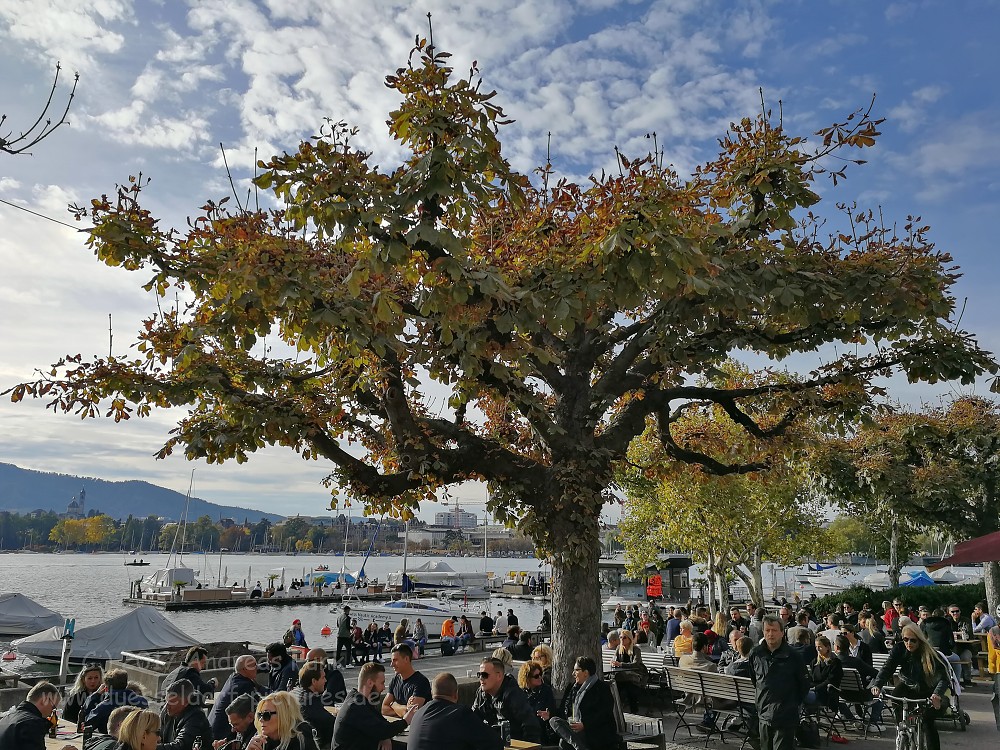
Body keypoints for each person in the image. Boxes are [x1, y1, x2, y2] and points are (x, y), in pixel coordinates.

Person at [871, 623, 950, 750]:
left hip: (928, 690)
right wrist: (877, 685)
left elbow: (944, 678)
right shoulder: (899, 649)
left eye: (913, 640)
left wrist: (937, 694)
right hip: (907, 686)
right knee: (896, 694)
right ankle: (901, 726)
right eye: (905, 639)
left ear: (919, 640)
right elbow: (887, 668)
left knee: (927, 723)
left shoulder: (930, 653)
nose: (909, 643)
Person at [748, 614, 809, 750]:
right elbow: (755, 680)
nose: (770, 634)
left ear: (782, 632)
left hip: (786, 715)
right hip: (764, 713)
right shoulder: (756, 654)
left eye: (774, 630)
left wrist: (791, 703)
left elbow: (804, 685)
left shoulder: (793, 656)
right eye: (767, 630)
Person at [408, 672, 502, 750]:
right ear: (456, 694)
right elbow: (495, 743)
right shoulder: (460, 714)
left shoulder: (418, 714)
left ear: (432, 693)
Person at [333, 662, 412, 750]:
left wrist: (385, 737)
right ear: (370, 683)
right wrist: (406, 721)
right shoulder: (356, 706)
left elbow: (381, 724)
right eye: (382, 683)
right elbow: (384, 730)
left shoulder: (358, 699)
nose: (383, 688)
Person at [548, 656, 617, 750]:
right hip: (574, 727)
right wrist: (550, 714)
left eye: (576, 670)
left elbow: (604, 714)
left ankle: (579, 746)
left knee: (564, 743)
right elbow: (563, 710)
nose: (573, 674)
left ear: (586, 672)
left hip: (594, 730)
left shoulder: (601, 688)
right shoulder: (573, 688)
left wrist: (584, 724)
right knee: (554, 720)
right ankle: (579, 746)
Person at [472, 656, 541, 742]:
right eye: (479, 675)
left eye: (485, 675)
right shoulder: (481, 693)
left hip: (513, 744)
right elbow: (471, 719)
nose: (481, 678)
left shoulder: (513, 694)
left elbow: (530, 726)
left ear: (499, 676)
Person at [0, 681, 76, 750]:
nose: (51, 713)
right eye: (53, 707)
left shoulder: (6, 718)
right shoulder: (32, 723)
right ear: (44, 700)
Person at [209, 654, 267, 739]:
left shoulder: (233, 678)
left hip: (212, 729)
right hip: (223, 734)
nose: (257, 667)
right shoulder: (244, 686)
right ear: (245, 669)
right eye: (254, 665)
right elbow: (258, 709)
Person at [245, 691, 318, 750]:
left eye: (266, 715)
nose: (261, 719)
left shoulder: (301, 741)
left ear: (283, 716)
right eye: (259, 715)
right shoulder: (260, 740)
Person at [85, 668, 149, 734]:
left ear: (106, 688)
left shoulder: (104, 706)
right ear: (126, 684)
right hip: (137, 739)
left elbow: (86, 724)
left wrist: (95, 695)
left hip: (113, 740)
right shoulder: (142, 701)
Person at [157, 679, 214, 750]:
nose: (167, 706)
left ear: (185, 702)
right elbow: (156, 731)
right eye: (166, 701)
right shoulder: (167, 710)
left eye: (172, 702)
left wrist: (151, 748)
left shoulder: (196, 717)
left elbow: (181, 746)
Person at [292, 661, 335, 749]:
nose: (326, 681)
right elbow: (331, 724)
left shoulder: (294, 692)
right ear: (314, 681)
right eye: (323, 678)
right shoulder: (310, 700)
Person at [381, 644, 431, 718]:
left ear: (406, 659)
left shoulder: (421, 682)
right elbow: (384, 709)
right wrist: (403, 710)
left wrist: (394, 704)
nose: (392, 664)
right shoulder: (395, 680)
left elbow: (411, 714)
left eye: (395, 660)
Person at [518, 660, 558, 744]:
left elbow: (553, 711)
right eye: (536, 676)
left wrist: (548, 716)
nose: (540, 677)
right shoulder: (520, 693)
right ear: (527, 678)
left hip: (542, 732)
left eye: (540, 674)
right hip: (524, 732)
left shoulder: (546, 691)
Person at [611, 628, 647, 713]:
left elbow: (636, 664)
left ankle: (634, 710)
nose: (622, 640)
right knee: (616, 685)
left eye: (624, 638)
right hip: (623, 675)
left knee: (630, 686)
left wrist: (621, 664)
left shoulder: (636, 649)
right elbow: (615, 659)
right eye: (620, 637)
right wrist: (613, 662)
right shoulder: (618, 649)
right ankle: (617, 710)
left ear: (630, 639)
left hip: (636, 674)